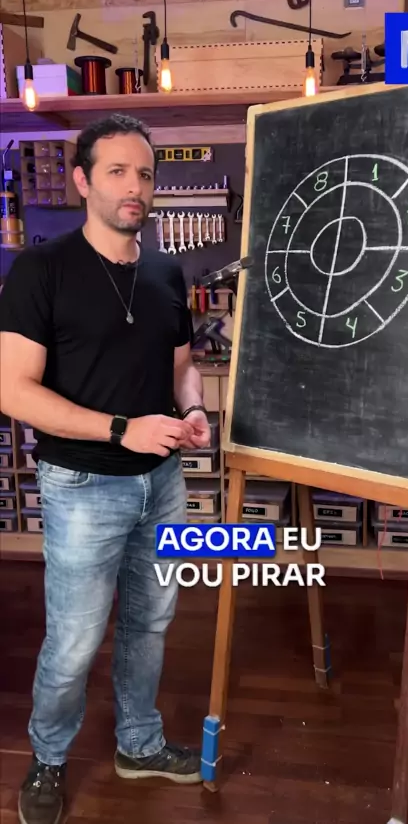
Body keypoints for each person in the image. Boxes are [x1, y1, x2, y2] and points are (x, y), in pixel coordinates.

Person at [0, 113, 211, 824]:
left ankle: (138, 744)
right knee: (75, 640)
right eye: (117, 171)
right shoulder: (42, 270)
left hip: (163, 484)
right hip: (82, 486)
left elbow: (182, 366)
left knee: (150, 623)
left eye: (145, 174)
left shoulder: (166, 272)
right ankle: (48, 758)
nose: (134, 187)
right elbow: (13, 390)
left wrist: (192, 408)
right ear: (83, 181)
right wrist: (123, 429)